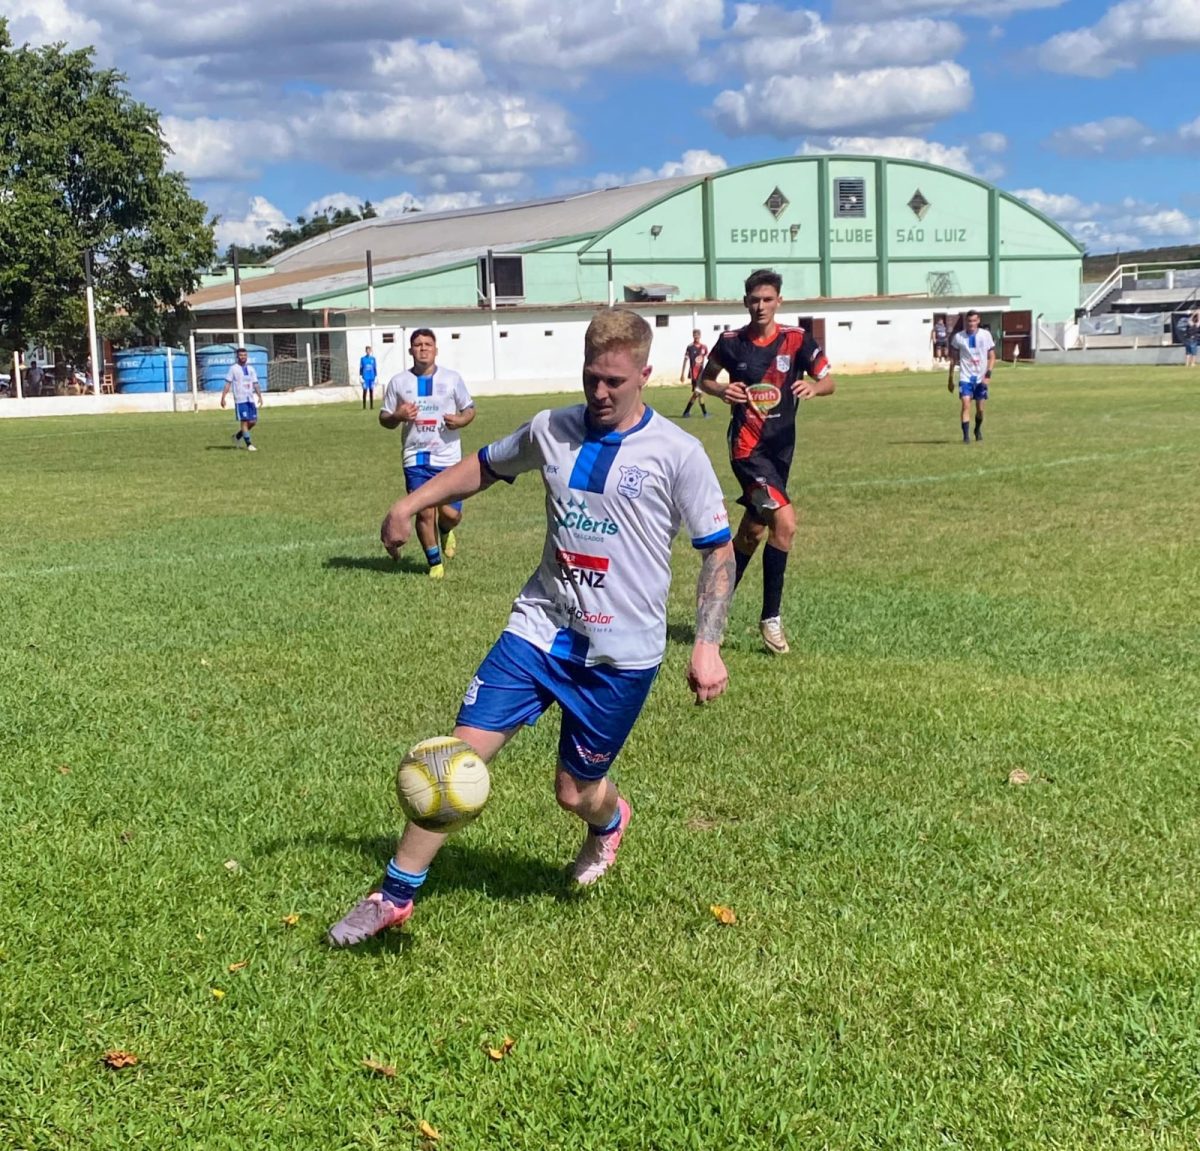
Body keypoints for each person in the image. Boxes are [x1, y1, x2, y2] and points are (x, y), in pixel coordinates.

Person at [328, 307, 736, 946]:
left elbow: (718, 549)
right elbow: (486, 465)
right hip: (539, 631)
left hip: (619, 655)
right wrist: (410, 501)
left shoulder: (678, 454)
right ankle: (392, 895)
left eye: (613, 382)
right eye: (590, 377)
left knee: (575, 793)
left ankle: (609, 822)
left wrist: (707, 644)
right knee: (452, 762)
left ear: (645, 375)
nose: (598, 393)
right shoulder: (552, 429)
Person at [700, 268, 835, 656]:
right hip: (746, 451)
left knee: (752, 534)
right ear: (745, 302)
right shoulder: (730, 343)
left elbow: (829, 380)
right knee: (785, 523)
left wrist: (814, 386)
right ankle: (770, 618)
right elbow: (706, 380)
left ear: (778, 301)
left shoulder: (797, 341)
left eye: (767, 299)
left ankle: (714, 611)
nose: (760, 306)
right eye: (754, 300)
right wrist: (723, 389)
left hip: (780, 452)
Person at [379, 329, 475, 578]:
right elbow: (384, 417)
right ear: (410, 350)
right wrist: (398, 416)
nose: (423, 348)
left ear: (435, 349)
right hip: (416, 457)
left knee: (450, 514)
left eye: (427, 344)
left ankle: (446, 529)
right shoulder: (399, 382)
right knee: (424, 510)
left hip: (448, 457)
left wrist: (461, 421)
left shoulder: (452, 379)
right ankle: (435, 564)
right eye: (418, 344)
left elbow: (469, 409)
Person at [947, 309, 995, 443]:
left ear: (978, 321)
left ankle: (977, 429)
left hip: (981, 378)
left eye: (974, 321)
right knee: (965, 405)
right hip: (965, 377)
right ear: (965, 321)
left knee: (980, 409)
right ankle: (966, 437)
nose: (971, 324)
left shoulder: (986, 335)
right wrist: (950, 379)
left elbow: (992, 357)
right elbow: (953, 360)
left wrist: (988, 374)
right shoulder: (959, 337)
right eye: (969, 321)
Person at [220, 347, 264, 451]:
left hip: (250, 399)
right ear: (237, 356)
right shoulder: (233, 368)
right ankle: (249, 444)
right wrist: (223, 397)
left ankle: (237, 436)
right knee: (244, 421)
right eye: (241, 355)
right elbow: (228, 383)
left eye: (244, 355)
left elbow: (255, 383)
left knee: (253, 421)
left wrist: (259, 396)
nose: (243, 357)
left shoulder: (251, 369)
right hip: (240, 399)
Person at [679, 329, 709, 418]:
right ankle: (703, 413)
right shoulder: (690, 347)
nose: (696, 337)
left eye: (697, 335)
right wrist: (682, 373)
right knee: (698, 393)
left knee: (698, 393)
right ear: (693, 336)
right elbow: (685, 359)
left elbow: (709, 358)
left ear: (700, 336)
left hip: (701, 373)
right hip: (694, 374)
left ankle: (688, 412)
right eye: (694, 335)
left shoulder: (704, 347)